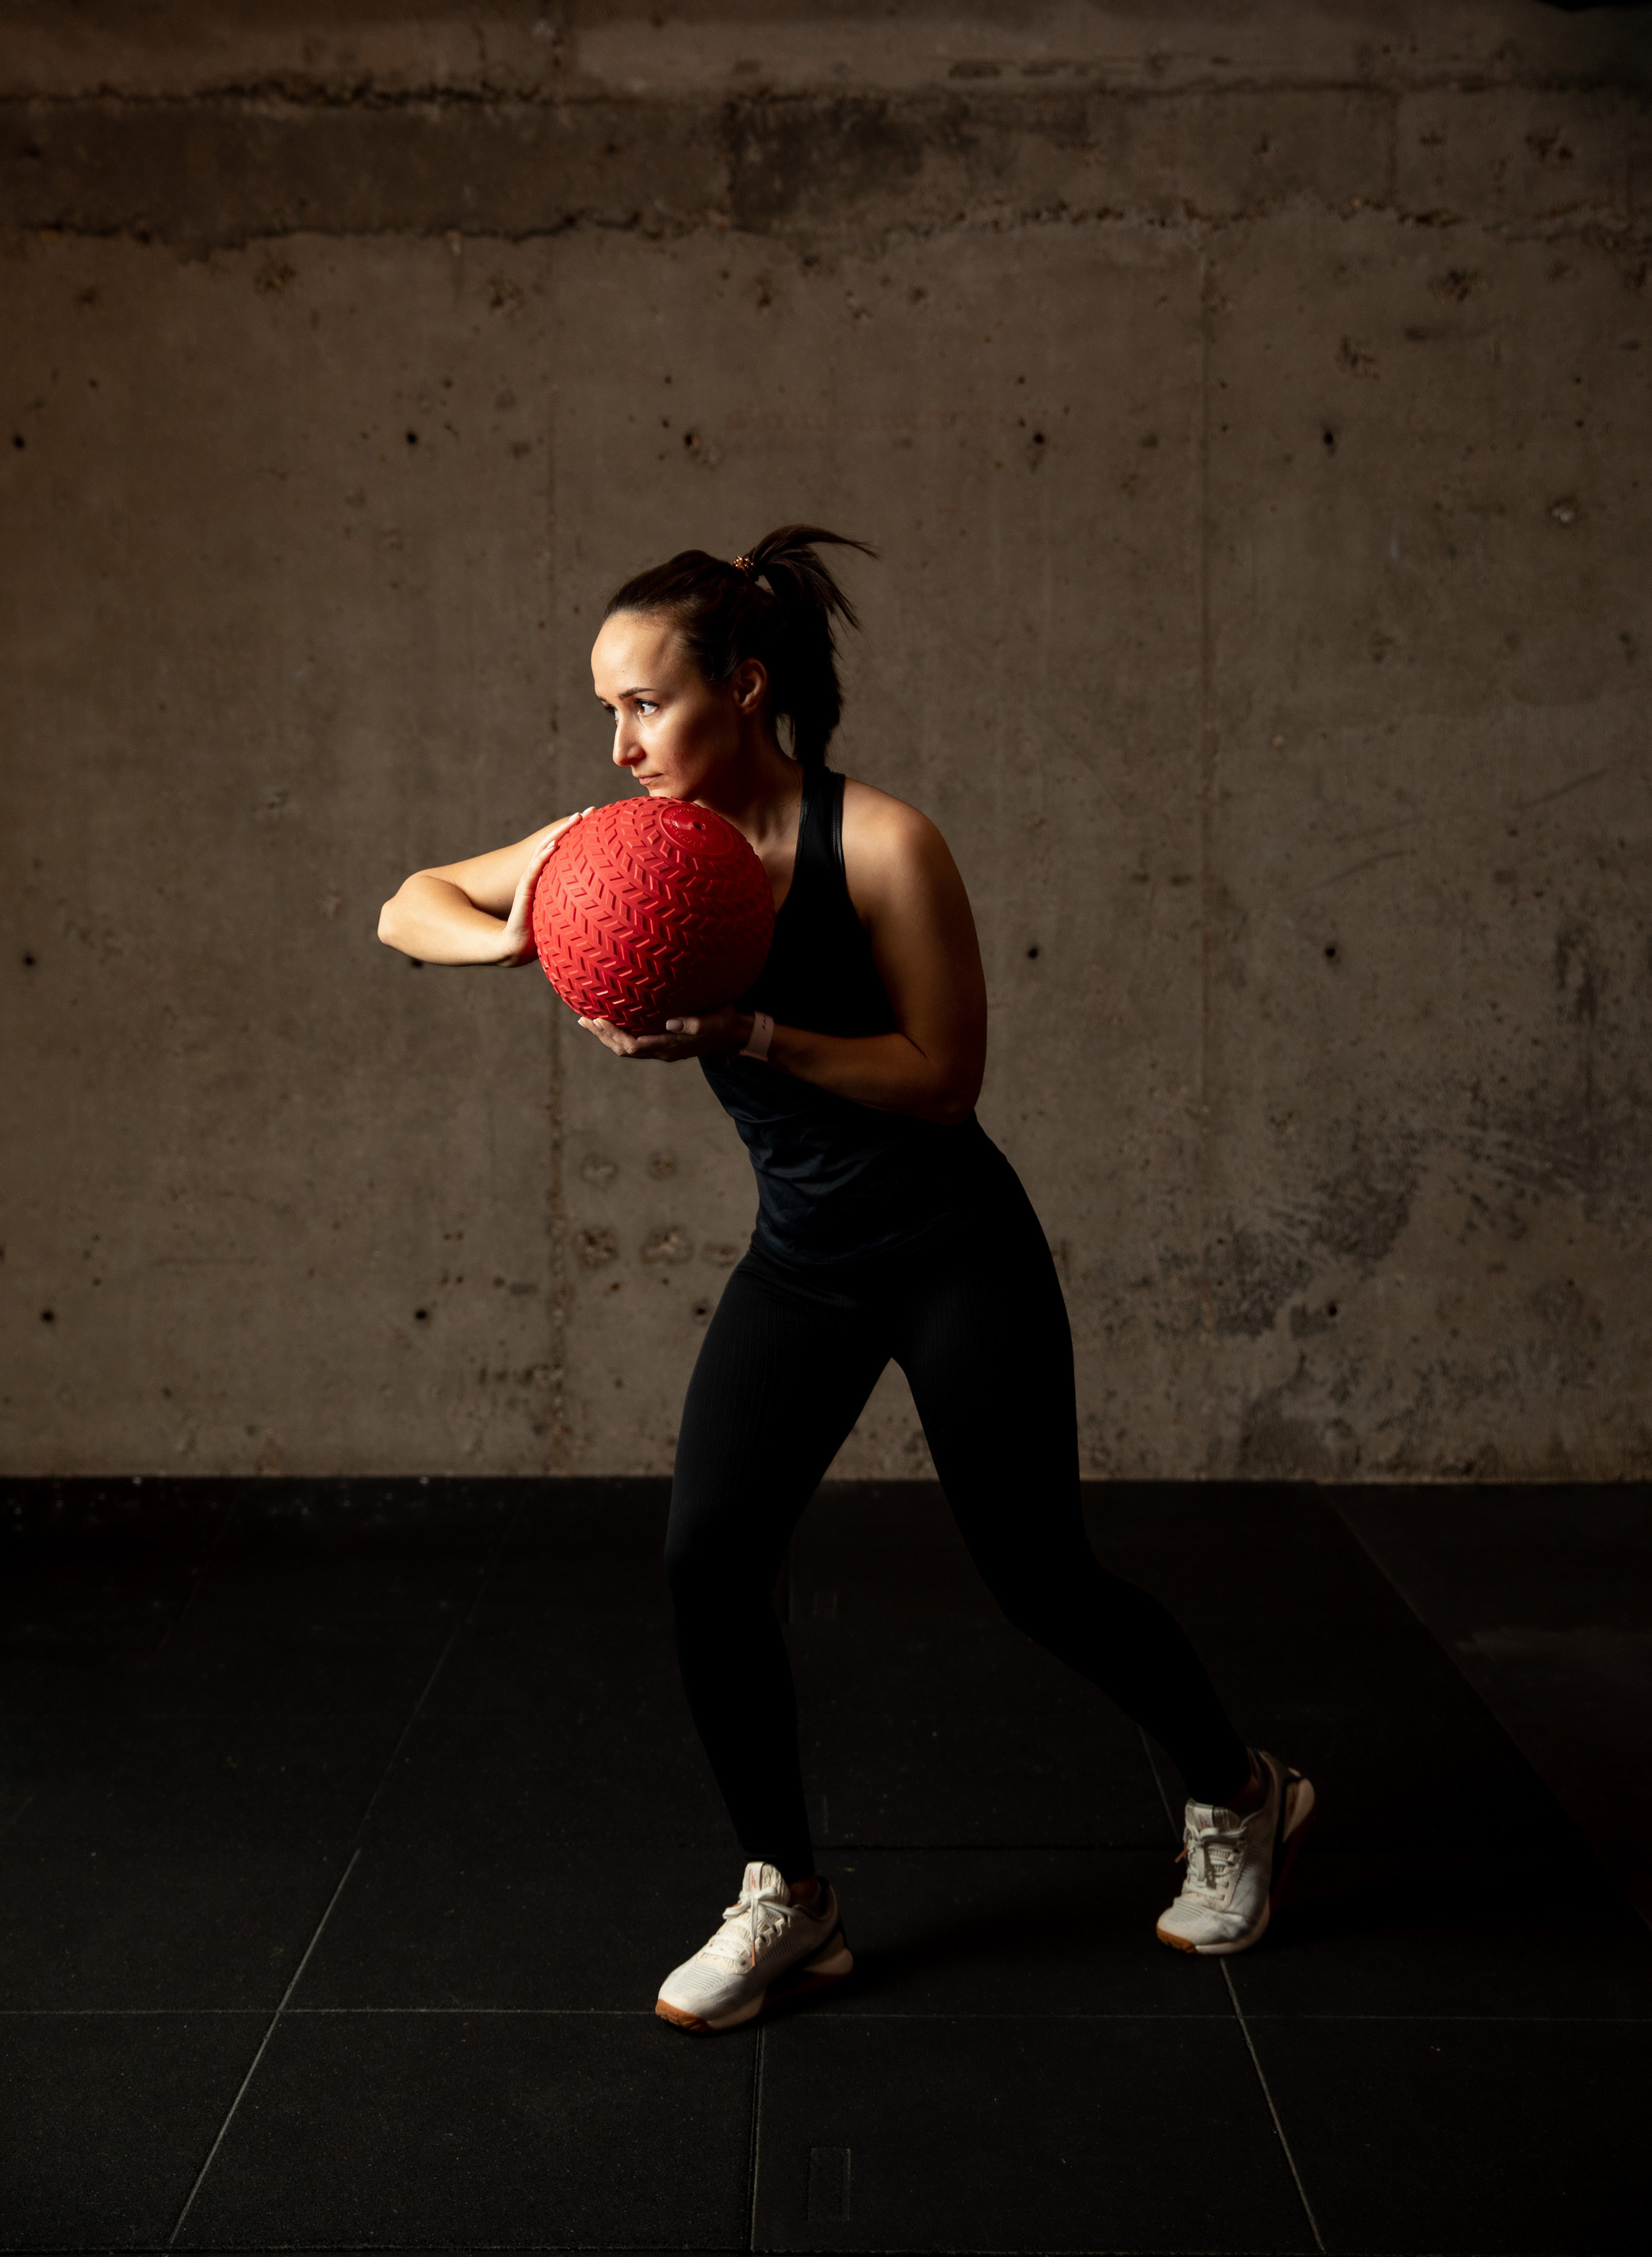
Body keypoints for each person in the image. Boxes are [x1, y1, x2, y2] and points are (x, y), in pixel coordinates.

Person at [378, 524, 1313, 2032]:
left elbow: (944, 1079)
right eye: (604, 712)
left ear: (742, 689)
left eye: (645, 705)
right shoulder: (619, 855)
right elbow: (405, 899)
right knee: (704, 1564)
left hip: (952, 1254)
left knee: (1037, 1578)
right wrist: (533, 941)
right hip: (805, 1266)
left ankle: (1240, 1794)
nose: (619, 745)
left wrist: (747, 1035)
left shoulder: (877, 843)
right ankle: (787, 1899)